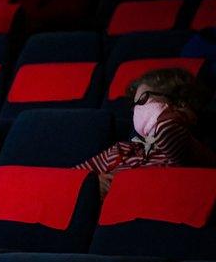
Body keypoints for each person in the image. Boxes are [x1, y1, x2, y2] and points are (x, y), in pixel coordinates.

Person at [77, 68, 216, 196]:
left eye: (143, 100)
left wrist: (181, 114)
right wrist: (93, 182)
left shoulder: (191, 149)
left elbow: (167, 131)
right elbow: (70, 179)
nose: (136, 110)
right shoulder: (122, 149)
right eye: (135, 104)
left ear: (179, 103)